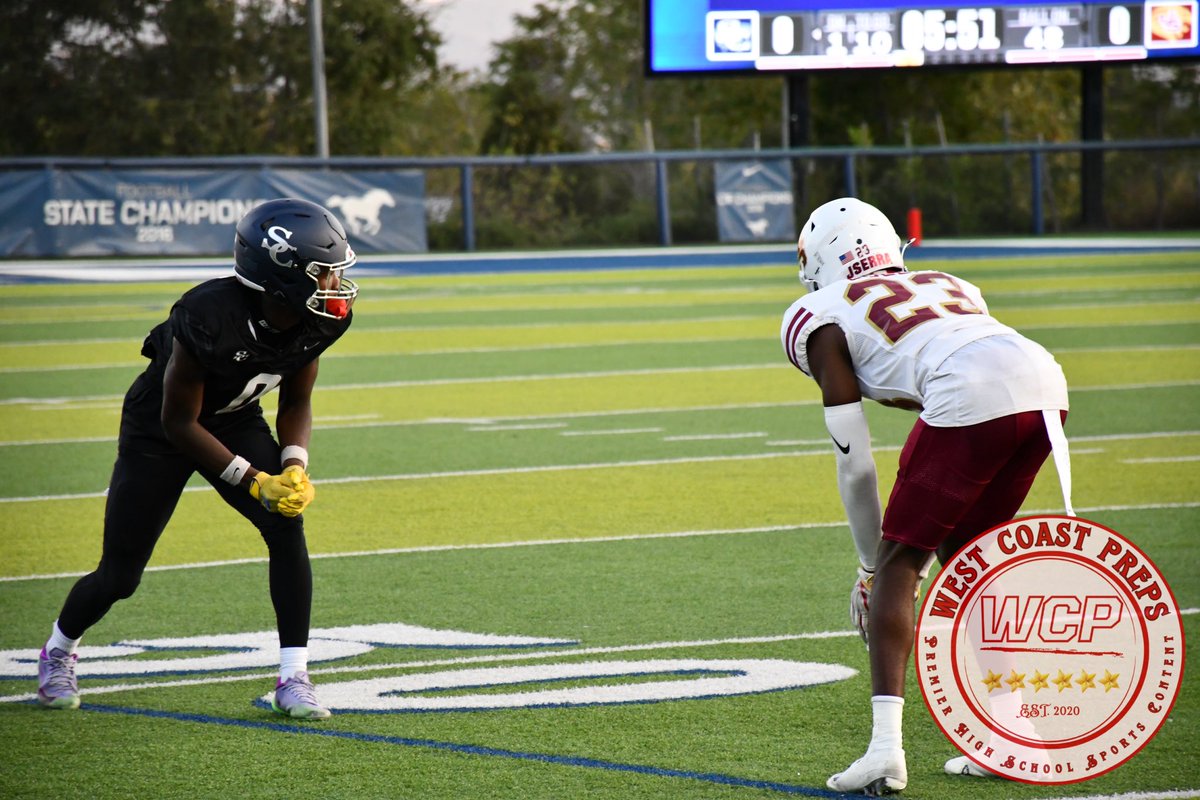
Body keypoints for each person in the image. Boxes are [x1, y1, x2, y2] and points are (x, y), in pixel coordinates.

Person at [779, 198, 1071, 793]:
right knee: (971, 562)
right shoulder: (950, 283)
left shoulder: (816, 314)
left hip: (971, 391)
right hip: (1046, 385)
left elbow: (856, 463)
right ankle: (1012, 738)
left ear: (823, 258)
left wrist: (869, 566)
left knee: (898, 566)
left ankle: (886, 750)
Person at [36, 197, 359, 720]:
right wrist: (253, 478)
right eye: (321, 273)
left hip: (235, 416)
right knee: (120, 576)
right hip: (159, 428)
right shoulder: (207, 315)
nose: (332, 285)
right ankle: (57, 650)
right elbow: (178, 423)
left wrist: (295, 465)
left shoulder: (319, 321)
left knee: (286, 524)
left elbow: (296, 400)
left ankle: (294, 675)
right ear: (282, 277)